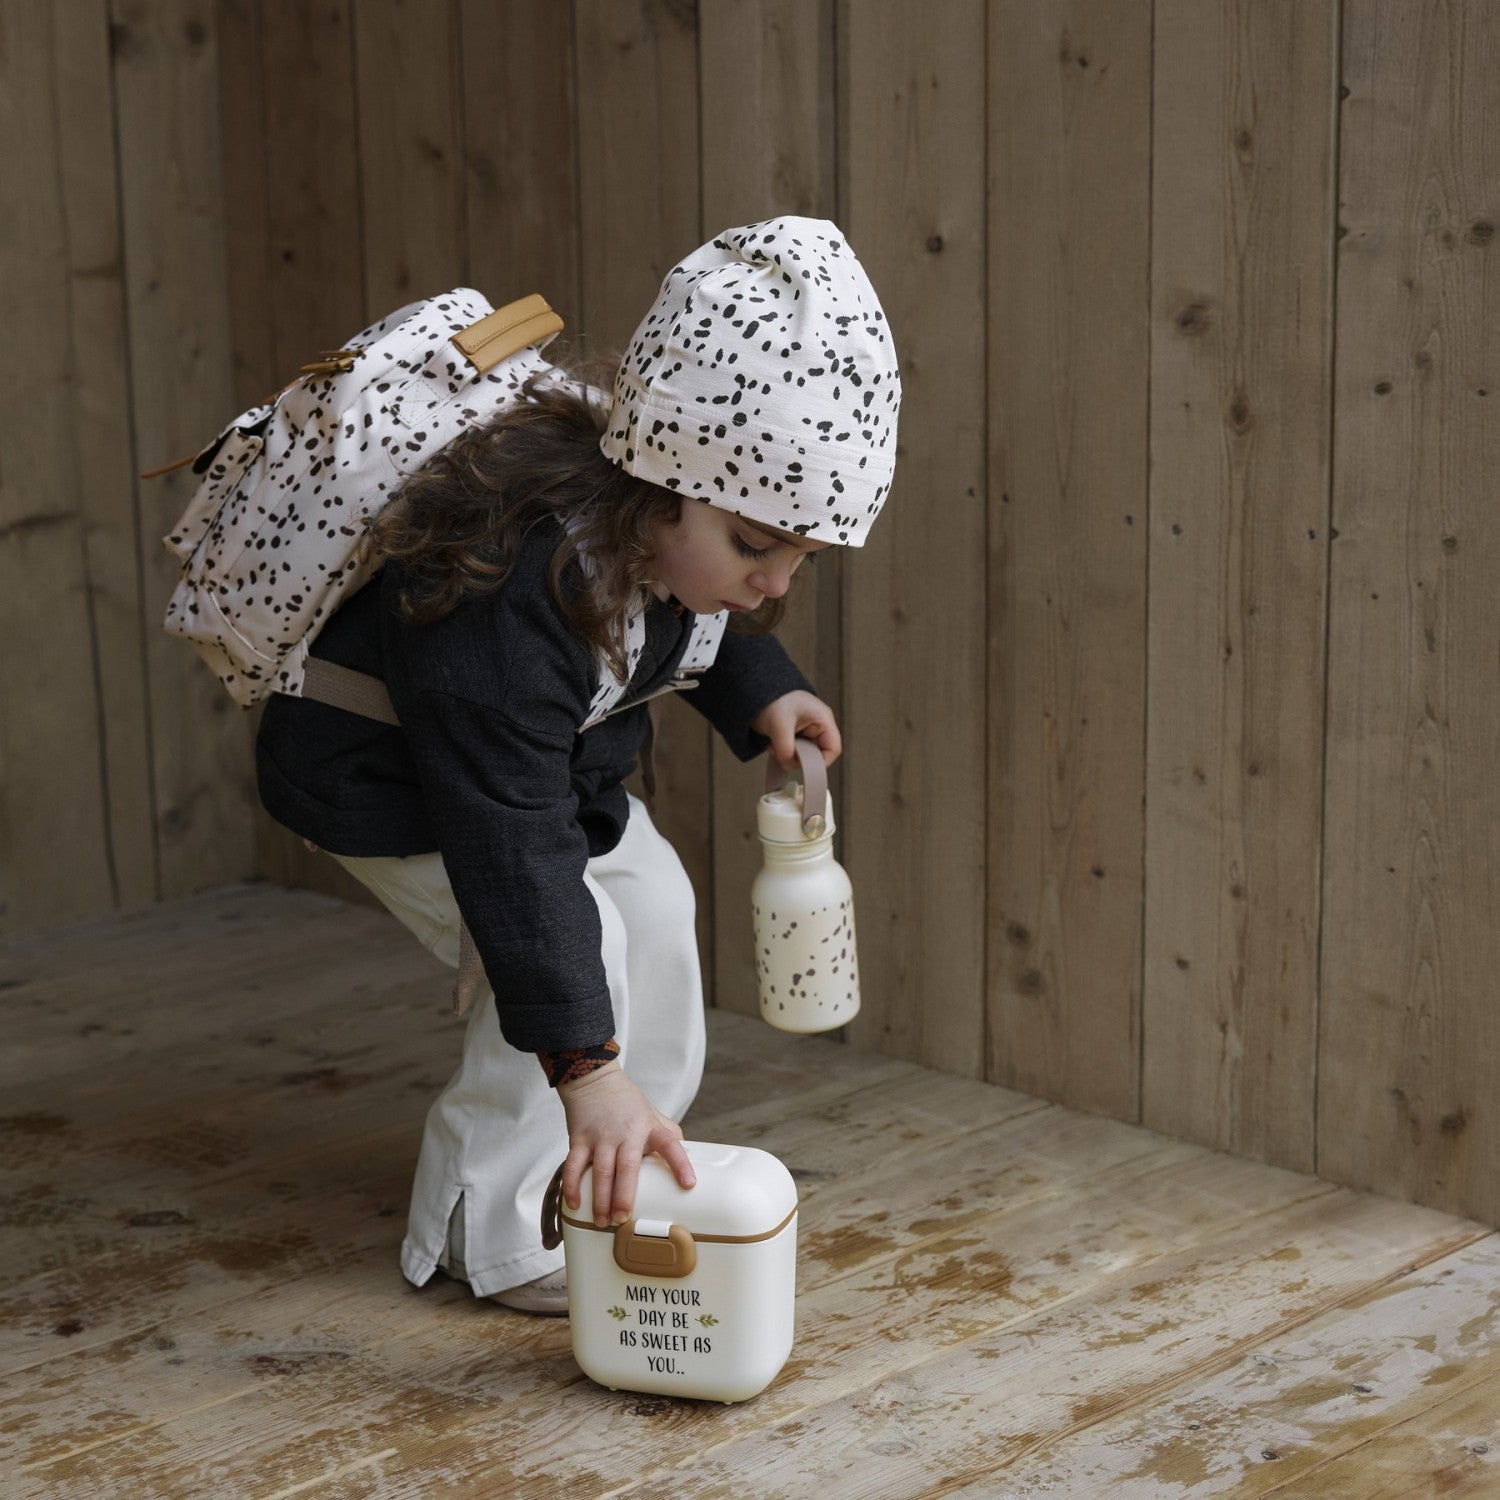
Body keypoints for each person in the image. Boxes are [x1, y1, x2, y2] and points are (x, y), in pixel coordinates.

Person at [255, 217, 901, 1314]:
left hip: (547, 775)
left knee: (652, 905)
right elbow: (507, 842)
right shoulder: (507, 594)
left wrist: (765, 691)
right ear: (656, 484)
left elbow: (696, 629)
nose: (775, 582)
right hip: (385, 778)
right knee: (561, 952)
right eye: (757, 545)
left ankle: (621, 1152)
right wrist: (581, 1060)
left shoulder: (670, 533)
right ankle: (495, 1233)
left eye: (802, 554)